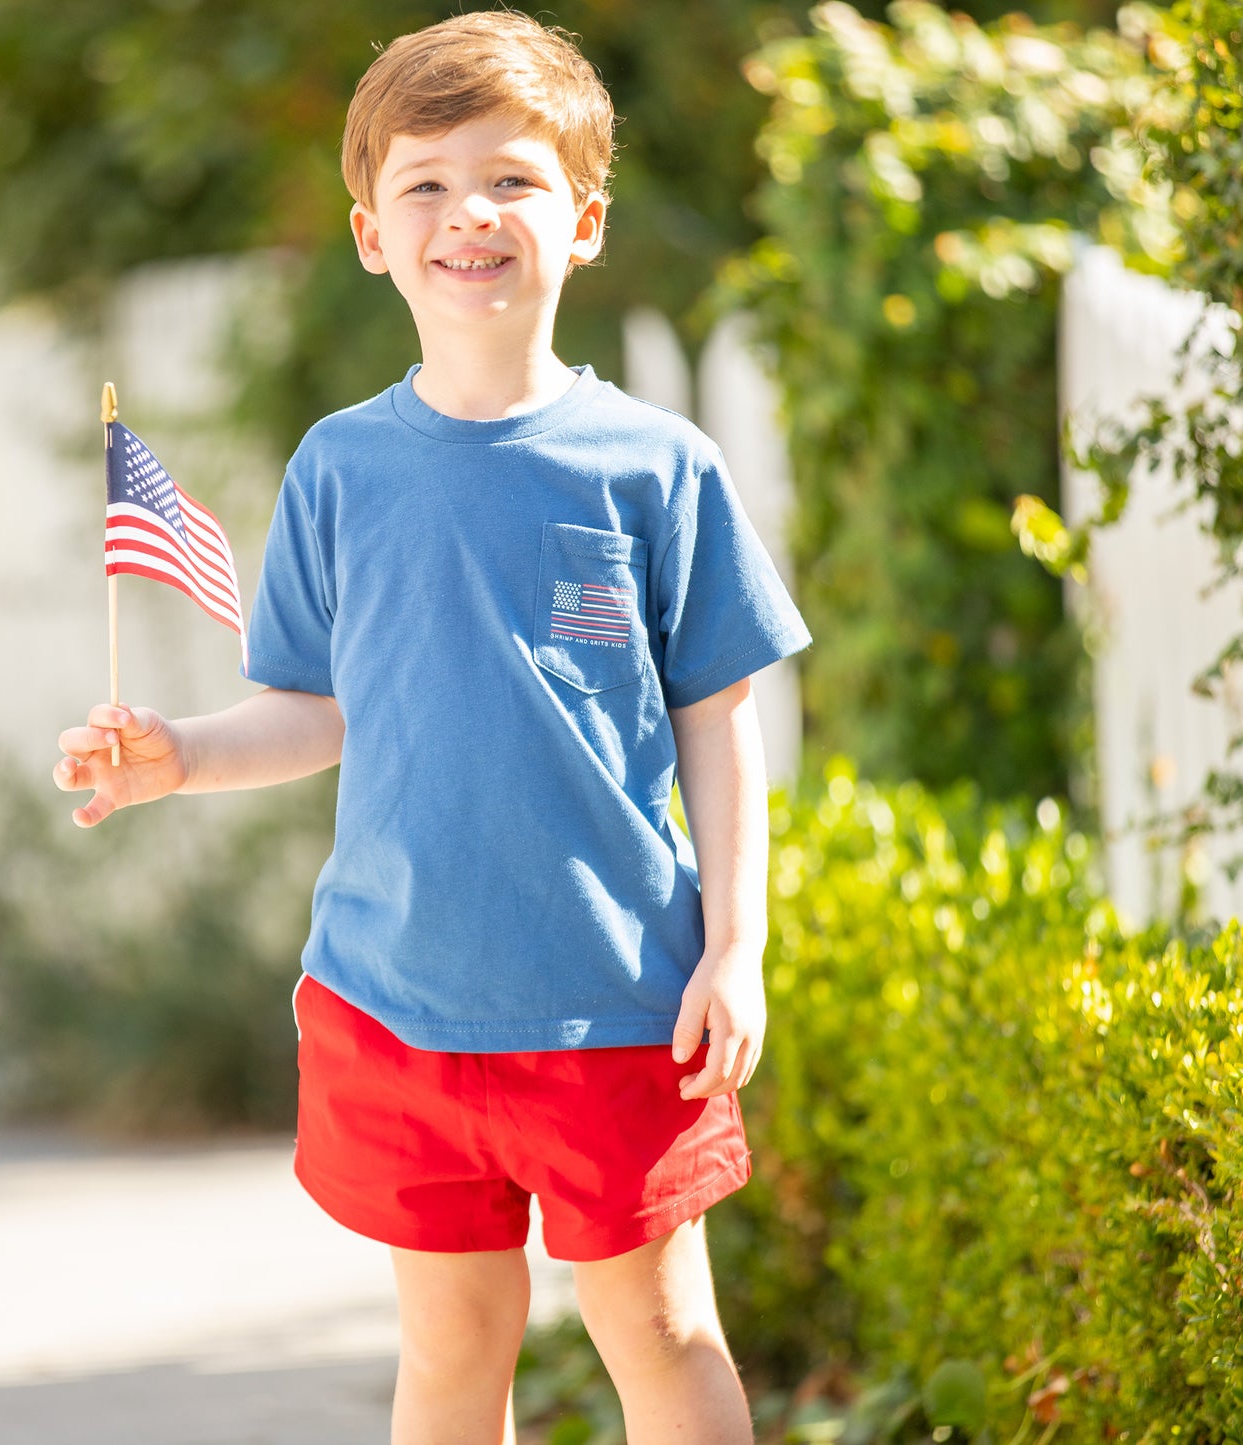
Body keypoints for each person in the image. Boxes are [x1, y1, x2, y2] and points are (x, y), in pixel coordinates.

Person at [55, 11, 810, 1443]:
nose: (468, 210)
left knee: (662, 1333)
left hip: (615, 1006)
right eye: (425, 183)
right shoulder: (341, 467)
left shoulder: (654, 466)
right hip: (395, 1004)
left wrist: (734, 944)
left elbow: (720, 718)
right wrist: (183, 754)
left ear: (580, 221)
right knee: (451, 1351)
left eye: (511, 178)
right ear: (369, 233)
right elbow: (316, 706)